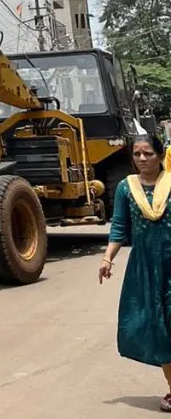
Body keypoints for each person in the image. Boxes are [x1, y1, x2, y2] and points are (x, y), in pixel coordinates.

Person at [100, 134, 171, 411]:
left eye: (148, 153)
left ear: (160, 155)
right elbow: (119, 226)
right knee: (157, 327)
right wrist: (107, 258)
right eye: (137, 154)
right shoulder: (125, 188)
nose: (142, 158)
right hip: (145, 269)